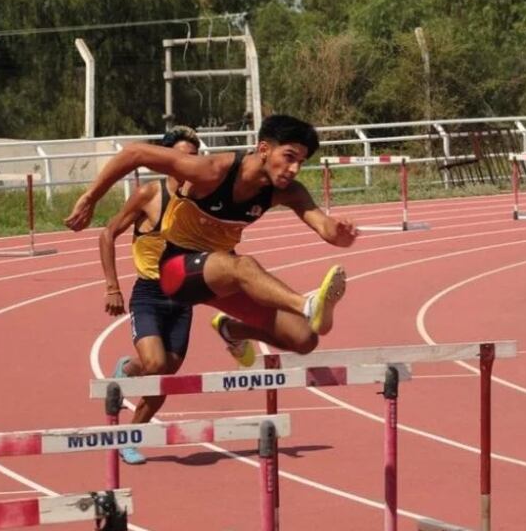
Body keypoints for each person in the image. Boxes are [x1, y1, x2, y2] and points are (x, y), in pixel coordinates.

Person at [66, 114, 358, 366]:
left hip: (218, 279)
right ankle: (307, 305)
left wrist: (340, 233)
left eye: (301, 162)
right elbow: (134, 153)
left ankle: (232, 331)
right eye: (289, 157)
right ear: (264, 149)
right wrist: (90, 198)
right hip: (176, 272)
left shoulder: (288, 191)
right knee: (241, 265)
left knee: (305, 339)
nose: (294, 169)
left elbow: (325, 228)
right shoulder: (213, 171)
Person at [99, 126, 200, 465]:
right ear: (168, 160)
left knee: (166, 376)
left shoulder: (201, 199)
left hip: (183, 297)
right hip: (149, 294)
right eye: (184, 156)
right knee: (156, 365)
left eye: (195, 157)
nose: (191, 163)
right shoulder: (149, 194)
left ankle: (130, 434)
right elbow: (108, 234)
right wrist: (112, 286)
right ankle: (133, 368)